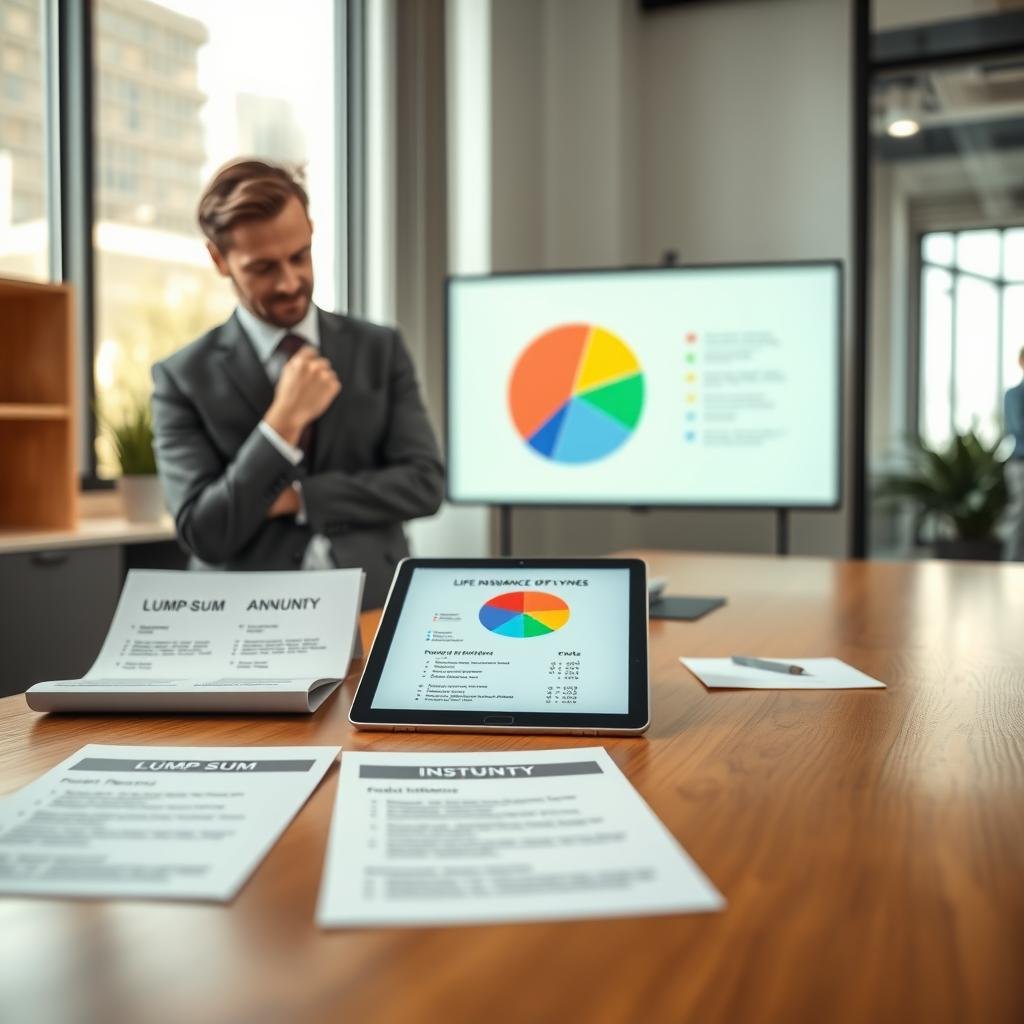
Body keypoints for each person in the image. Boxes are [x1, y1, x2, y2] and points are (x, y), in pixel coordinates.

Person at [151, 158, 444, 607]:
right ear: (218, 259)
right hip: (242, 620)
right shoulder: (182, 378)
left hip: (374, 606)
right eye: (263, 268)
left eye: (299, 256)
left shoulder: (379, 348)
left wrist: (299, 497)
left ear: (309, 229)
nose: (290, 282)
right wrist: (281, 425)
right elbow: (203, 532)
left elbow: (424, 484)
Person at [1005, 345, 1024, 561]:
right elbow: (1018, 427)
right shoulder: (1014, 395)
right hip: (1020, 465)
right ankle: (1009, 568)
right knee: (1019, 519)